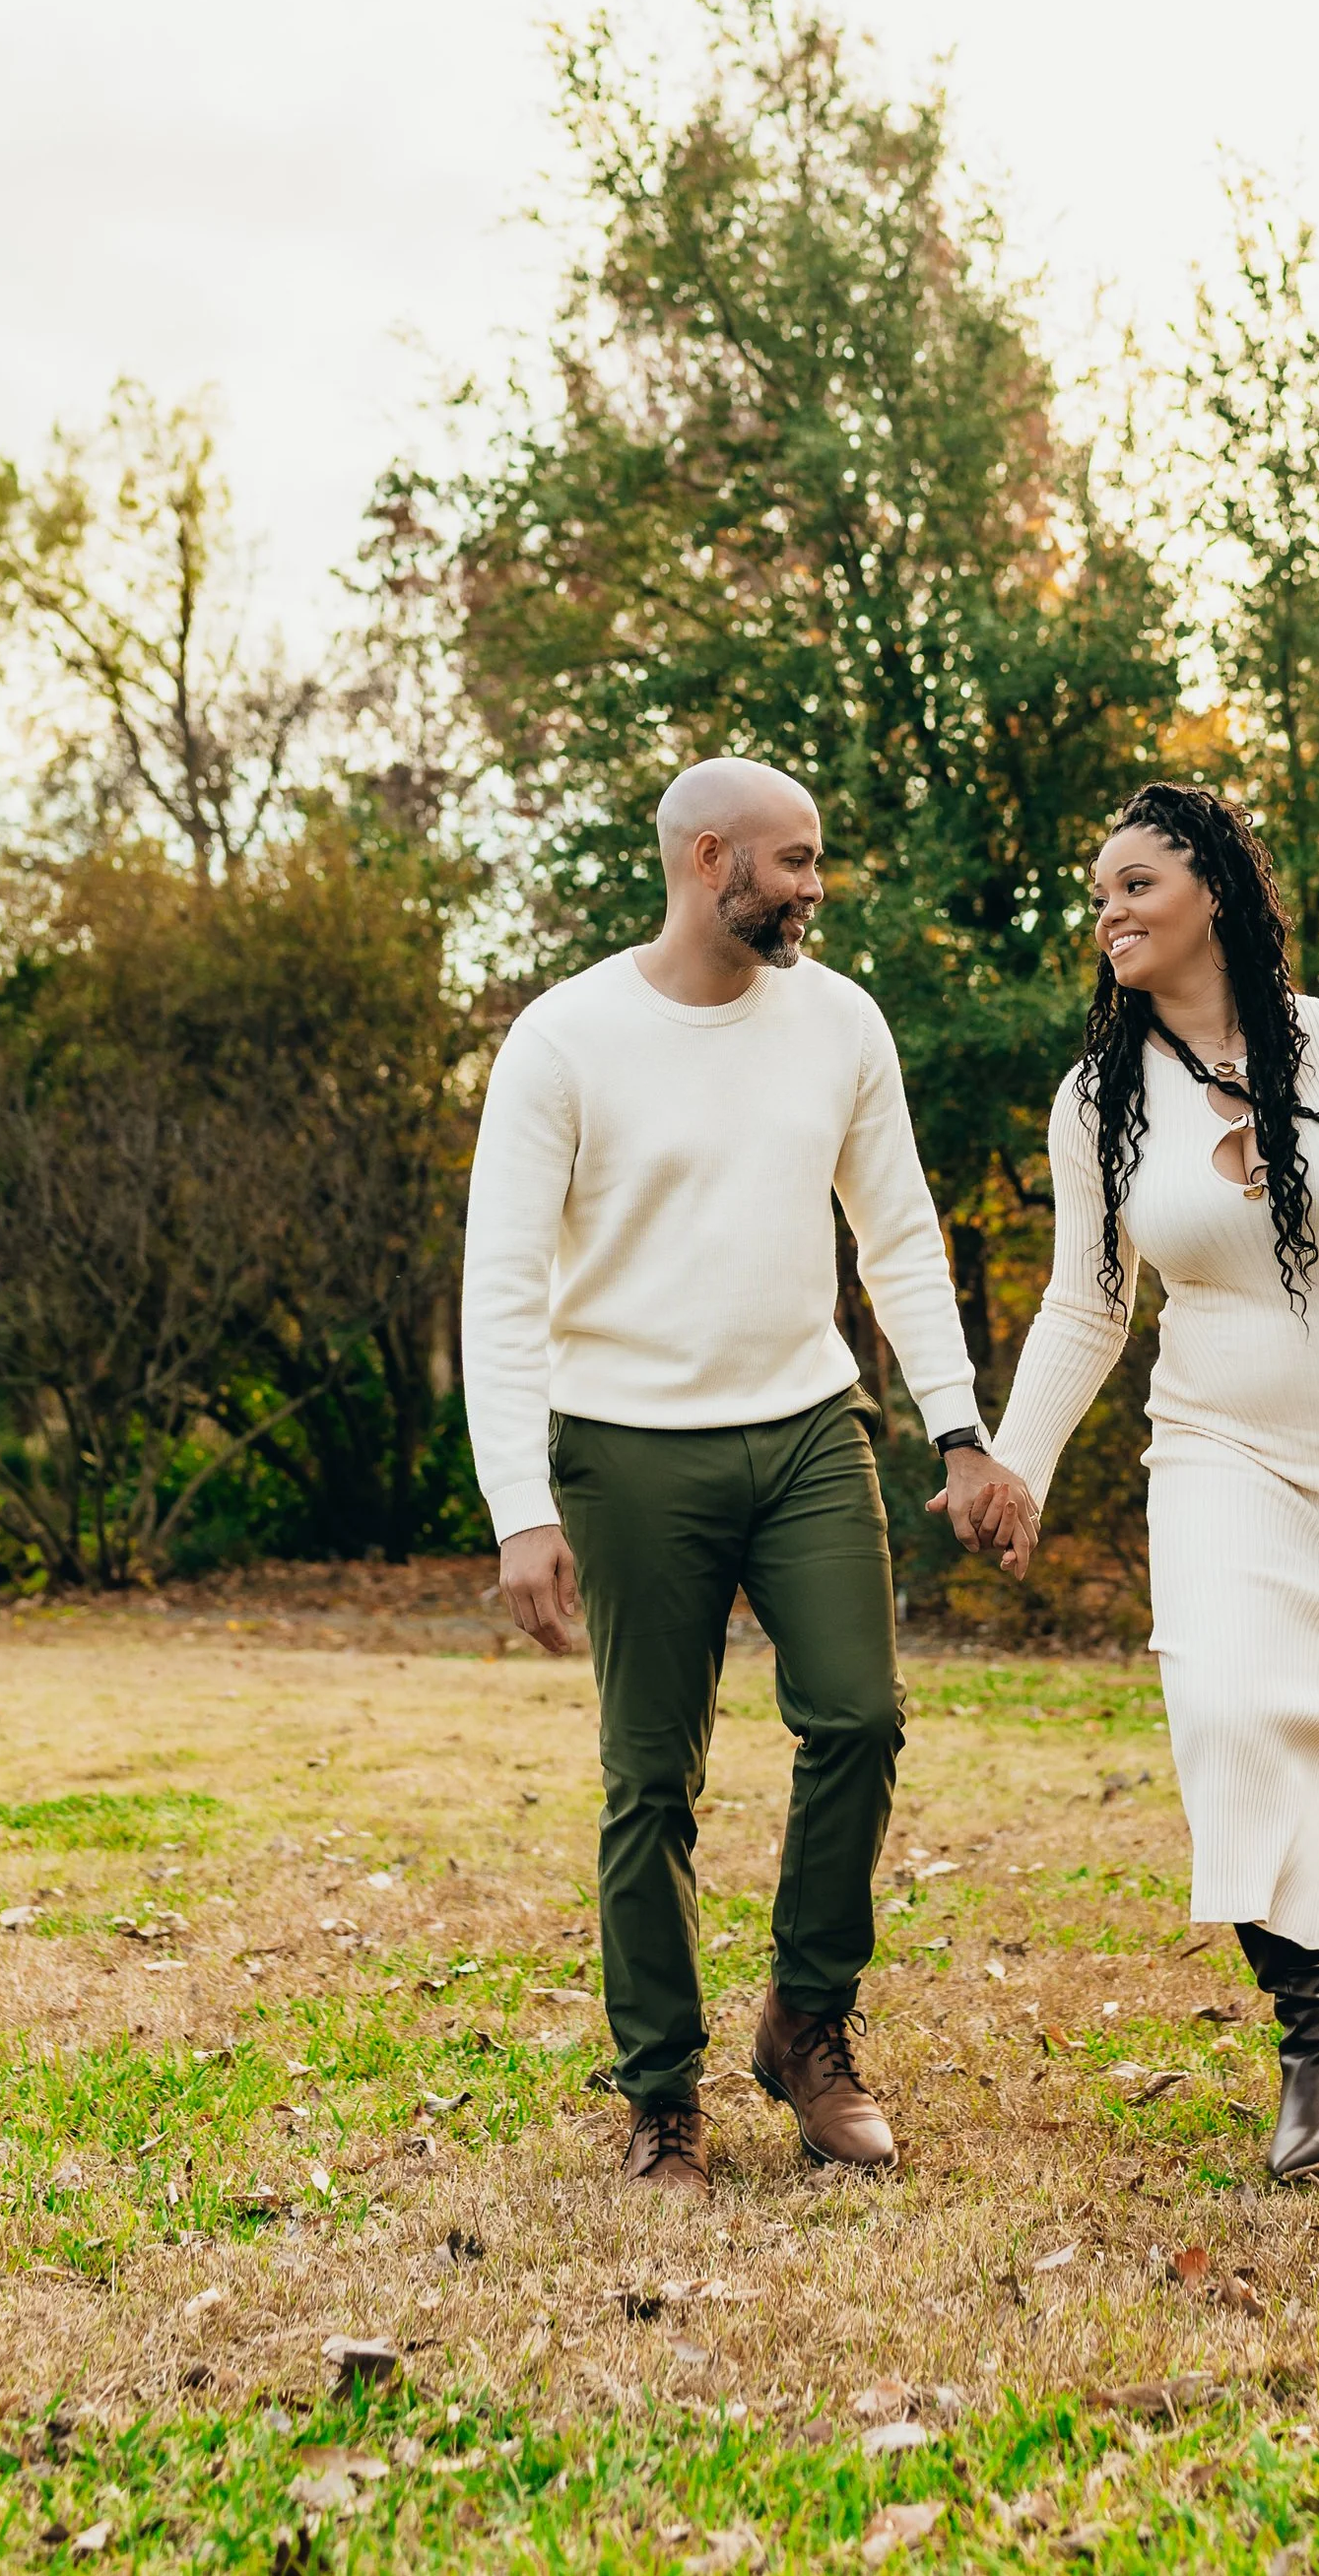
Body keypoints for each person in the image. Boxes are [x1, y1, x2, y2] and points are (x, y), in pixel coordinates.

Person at [461, 757, 1038, 2201]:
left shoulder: (839, 1021)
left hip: (804, 1427)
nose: (812, 885)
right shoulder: (566, 1038)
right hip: (625, 1446)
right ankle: (661, 2095)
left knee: (859, 1714)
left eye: (817, 859)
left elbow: (899, 1234)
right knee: (650, 1779)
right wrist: (519, 1503)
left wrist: (960, 1431)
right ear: (707, 857)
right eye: (790, 861)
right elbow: (501, 1284)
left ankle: (806, 2024)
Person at [981, 784, 1319, 2178]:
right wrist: (1018, 1464)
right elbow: (1089, 1306)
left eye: (1135, 883)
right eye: (1099, 896)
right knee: (1223, 1703)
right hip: (1215, 1439)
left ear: (1211, 886)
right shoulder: (1097, 1099)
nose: (1110, 914)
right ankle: (1313, 2047)